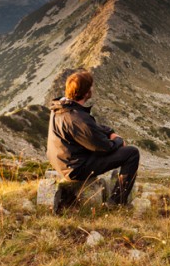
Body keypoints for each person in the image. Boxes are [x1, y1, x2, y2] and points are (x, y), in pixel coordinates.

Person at [46, 70, 139, 205]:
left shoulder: (62, 107)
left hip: (62, 161)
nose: (92, 88)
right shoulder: (77, 118)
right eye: (90, 86)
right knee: (131, 153)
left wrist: (110, 132)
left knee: (120, 148)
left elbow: (90, 129)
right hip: (75, 169)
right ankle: (116, 203)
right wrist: (118, 141)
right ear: (86, 92)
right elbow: (104, 147)